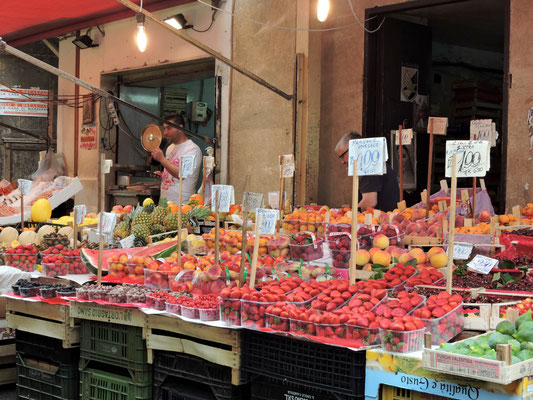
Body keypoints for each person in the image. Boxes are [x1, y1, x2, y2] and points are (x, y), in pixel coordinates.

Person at [335, 131, 400, 212]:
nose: (342, 161)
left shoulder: (368, 166)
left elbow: (369, 202)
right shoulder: (374, 164)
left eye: (342, 156)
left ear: (353, 148)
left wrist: (348, 215)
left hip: (379, 221)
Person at [151, 113, 202, 203]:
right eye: (164, 128)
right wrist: (163, 175)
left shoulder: (192, 149)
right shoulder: (170, 148)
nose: (165, 132)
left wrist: (162, 159)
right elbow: (172, 170)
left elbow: (182, 174)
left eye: (169, 128)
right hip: (165, 203)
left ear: (180, 128)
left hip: (182, 205)